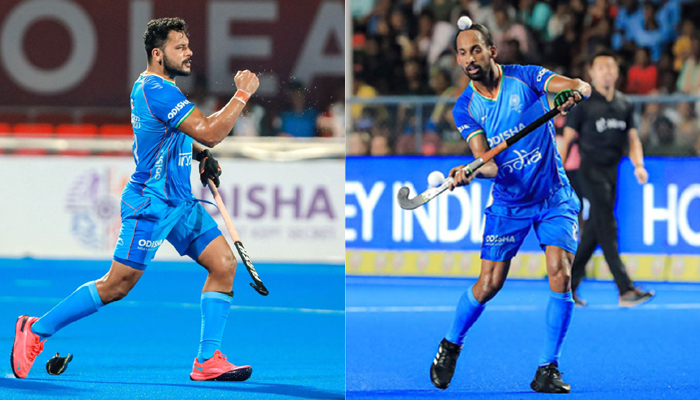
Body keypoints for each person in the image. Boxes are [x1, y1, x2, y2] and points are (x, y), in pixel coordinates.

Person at [11, 18, 260, 381]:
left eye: (188, 45)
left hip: (179, 202)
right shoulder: (156, 90)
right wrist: (242, 95)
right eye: (180, 47)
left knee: (223, 264)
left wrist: (198, 155)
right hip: (151, 203)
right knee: (117, 284)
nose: (189, 52)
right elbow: (211, 132)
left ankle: (208, 360)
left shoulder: (162, 88)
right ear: (158, 54)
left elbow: (170, 137)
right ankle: (35, 330)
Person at [430, 19, 591, 394]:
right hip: (509, 202)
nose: (469, 58)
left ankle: (547, 368)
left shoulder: (525, 77)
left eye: (475, 50)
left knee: (561, 274)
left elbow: (572, 84)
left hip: (553, 195)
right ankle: (451, 344)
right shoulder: (466, 107)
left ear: (492, 51)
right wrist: (471, 172)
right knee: (489, 284)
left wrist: (575, 91)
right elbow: (488, 162)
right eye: (462, 53)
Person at [560, 49, 654, 308]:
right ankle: (625, 289)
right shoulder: (583, 104)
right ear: (591, 72)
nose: (607, 72)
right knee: (608, 226)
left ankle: (567, 286)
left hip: (612, 172)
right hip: (588, 172)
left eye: (611, 67)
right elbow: (567, 140)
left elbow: (633, 139)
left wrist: (639, 165)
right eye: (601, 67)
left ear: (617, 72)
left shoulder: (625, 104)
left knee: (594, 231)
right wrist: (557, 172)